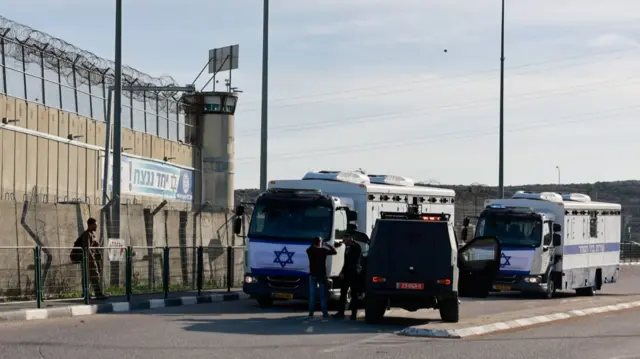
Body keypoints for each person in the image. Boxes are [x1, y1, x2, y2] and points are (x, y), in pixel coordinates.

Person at [333, 233, 363, 320]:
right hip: (350, 272)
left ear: (350, 238)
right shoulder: (352, 245)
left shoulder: (354, 247)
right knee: (343, 294)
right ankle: (341, 312)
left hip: (352, 273)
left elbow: (349, 261)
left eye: (345, 238)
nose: (343, 239)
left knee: (353, 294)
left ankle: (353, 314)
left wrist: (343, 272)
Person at [306, 236, 337, 318]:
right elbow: (334, 252)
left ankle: (311, 312)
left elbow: (309, 248)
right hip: (321, 275)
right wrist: (328, 245)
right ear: (320, 242)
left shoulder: (310, 250)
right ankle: (324, 312)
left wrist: (315, 244)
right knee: (322, 295)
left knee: (312, 294)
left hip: (312, 274)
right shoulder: (323, 250)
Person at [77, 218, 107, 300]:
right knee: (93, 276)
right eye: (95, 225)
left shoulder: (92, 234)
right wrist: (92, 260)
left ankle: (87, 293)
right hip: (88, 259)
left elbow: (92, 247)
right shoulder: (87, 234)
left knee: (90, 276)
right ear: (90, 225)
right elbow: (87, 248)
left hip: (91, 258)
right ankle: (95, 294)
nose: (96, 227)